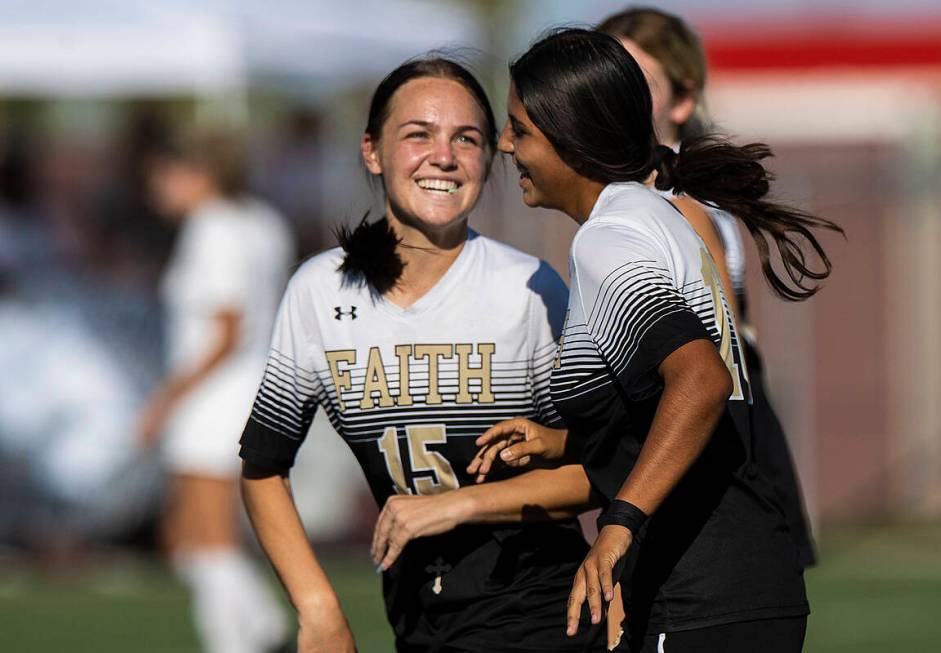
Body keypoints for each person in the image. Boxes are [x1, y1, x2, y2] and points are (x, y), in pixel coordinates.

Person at [474, 28, 843, 652]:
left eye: (520, 129)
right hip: (743, 581)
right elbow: (672, 415)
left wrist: (619, 525)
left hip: (702, 588)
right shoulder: (657, 215)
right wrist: (565, 442)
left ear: (571, 139)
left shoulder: (608, 240)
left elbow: (701, 382)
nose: (505, 145)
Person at [238, 57, 605, 653]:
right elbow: (262, 467)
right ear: (372, 151)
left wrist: (457, 507)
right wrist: (318, 610)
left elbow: (604, 468)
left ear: (490, 158)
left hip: (540, 610)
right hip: (415, 616)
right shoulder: (319, 291)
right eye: (418, 134)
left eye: (467, 138)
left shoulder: (531, 288)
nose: (444, 156)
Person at [597, 4, 817, 571]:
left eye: (636, 83)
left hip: (717, 457)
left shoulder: (680, 208)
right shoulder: (623, 207)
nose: (614, 99)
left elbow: (720, 361)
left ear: (683, 99)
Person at [140, 131, 294, 653]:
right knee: (194, 539)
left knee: (205, 541)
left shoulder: (214, 228)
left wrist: (166, 398)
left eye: (166, 174)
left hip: (215, 399)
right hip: (251, 390)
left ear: (197, 172)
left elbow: (226, 328)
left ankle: (253, 633)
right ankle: (257, 629)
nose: (158, 187)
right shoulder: (262, 221)